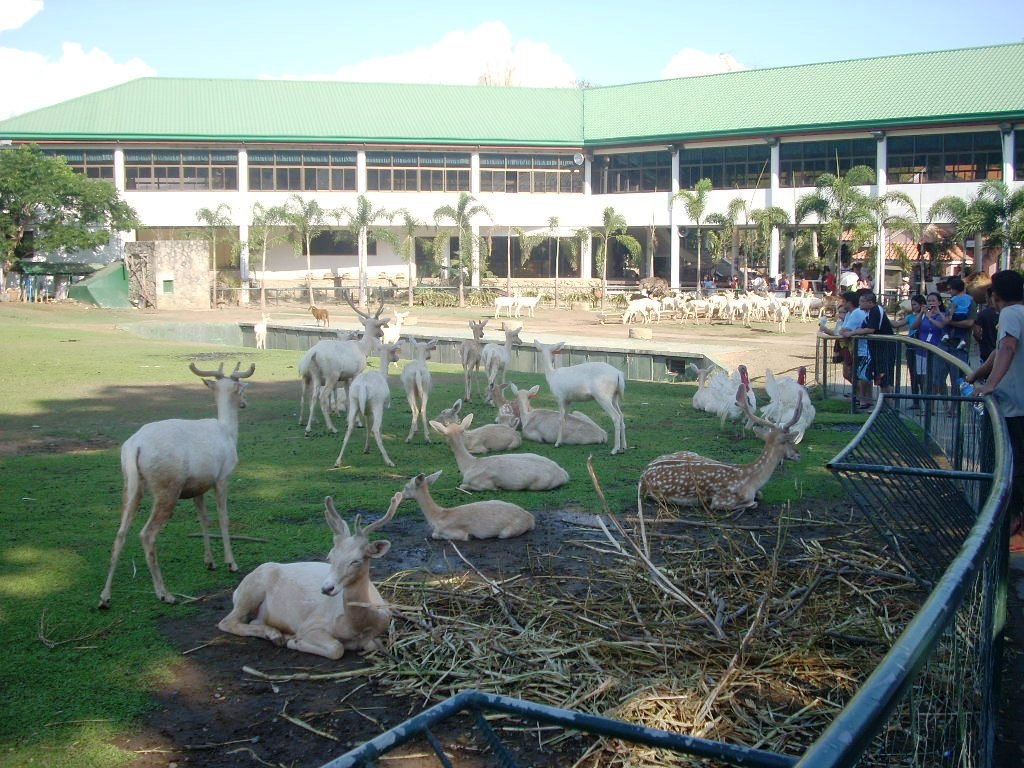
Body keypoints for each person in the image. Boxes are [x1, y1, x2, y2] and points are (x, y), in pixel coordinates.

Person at [966, 270, 1024, 552]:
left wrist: (990, 384)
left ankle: (1014, 528)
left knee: (1014, 467)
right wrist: (976, 374)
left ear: (995, 294)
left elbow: (1009, 347)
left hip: (1016, 405)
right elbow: (997, 352)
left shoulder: (1011, 314)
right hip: (1016, 402)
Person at [843, 290, 894, 408]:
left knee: (884, 376)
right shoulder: (871, 312)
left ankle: (888, 406)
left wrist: (853, 332)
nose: (859, 303)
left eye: (862, 301)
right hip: (877, 348)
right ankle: (883, 405)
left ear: (870, 302)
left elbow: (870, 329)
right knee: (879, 377)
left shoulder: (876, 310)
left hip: (884, 348)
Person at [940, 276, 976, 352]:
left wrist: (950, 322)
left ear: (956, 289)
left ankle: (947, 335)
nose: (949, 291)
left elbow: (969, 323)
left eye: (950, 289)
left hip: (960, 350)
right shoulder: (969, 298)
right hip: (947, 346)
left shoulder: (955, 300)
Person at [974, 286, 999, 362]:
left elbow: (977, 332)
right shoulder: (1005, 313)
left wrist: (980, 341)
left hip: (987, 351)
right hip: (1001, 351)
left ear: (990, 297)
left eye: (986, 296)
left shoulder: (983, 314)